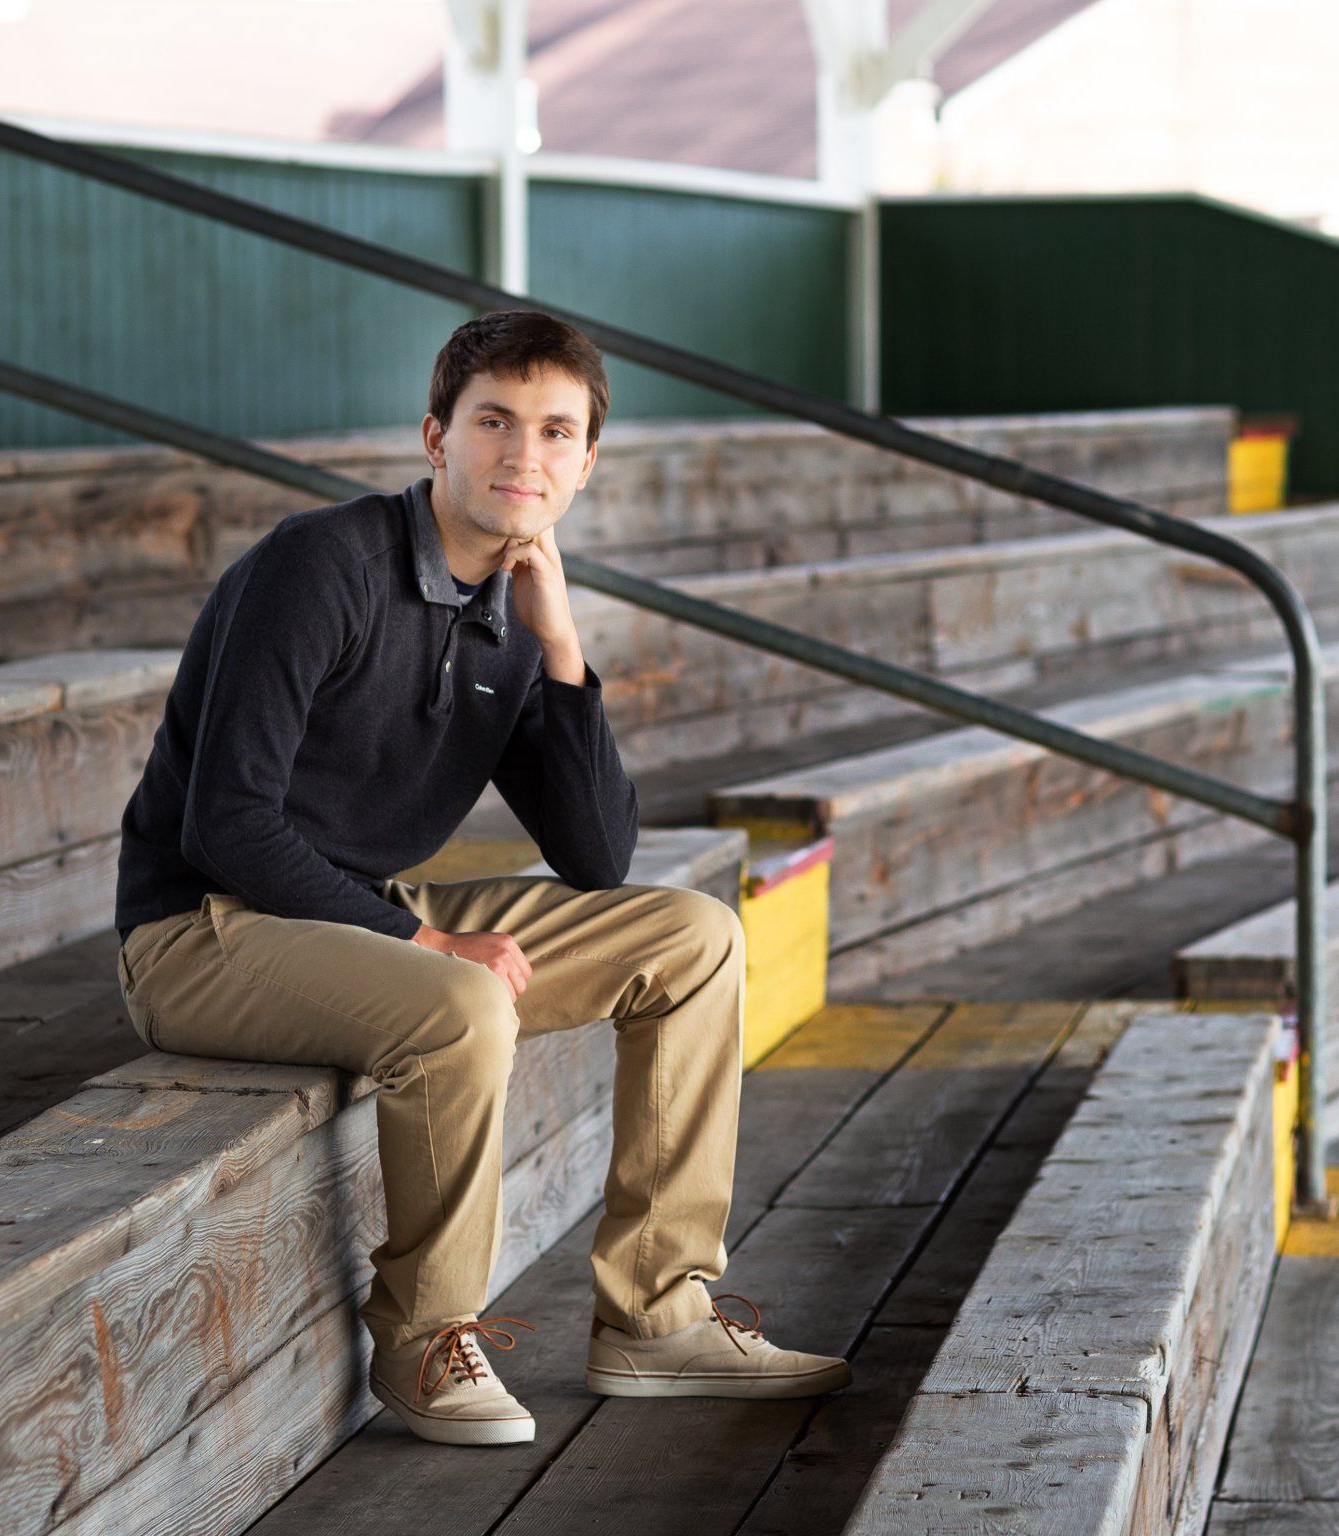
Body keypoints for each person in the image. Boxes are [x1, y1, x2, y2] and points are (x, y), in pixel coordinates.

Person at [112, 309, 850, 1448]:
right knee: (459, 1002)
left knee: (694, 936)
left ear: (586, 464)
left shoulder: (510, 616)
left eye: (557, 432)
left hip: (350, 921)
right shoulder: (324, 567)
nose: (524, 455)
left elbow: (597, 860)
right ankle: (423, 1341)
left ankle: (655, 1317)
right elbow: (227, 823)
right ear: (435, 437)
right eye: (494, 422)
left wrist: (560, 649)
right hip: (200, 933)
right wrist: (426, 947)